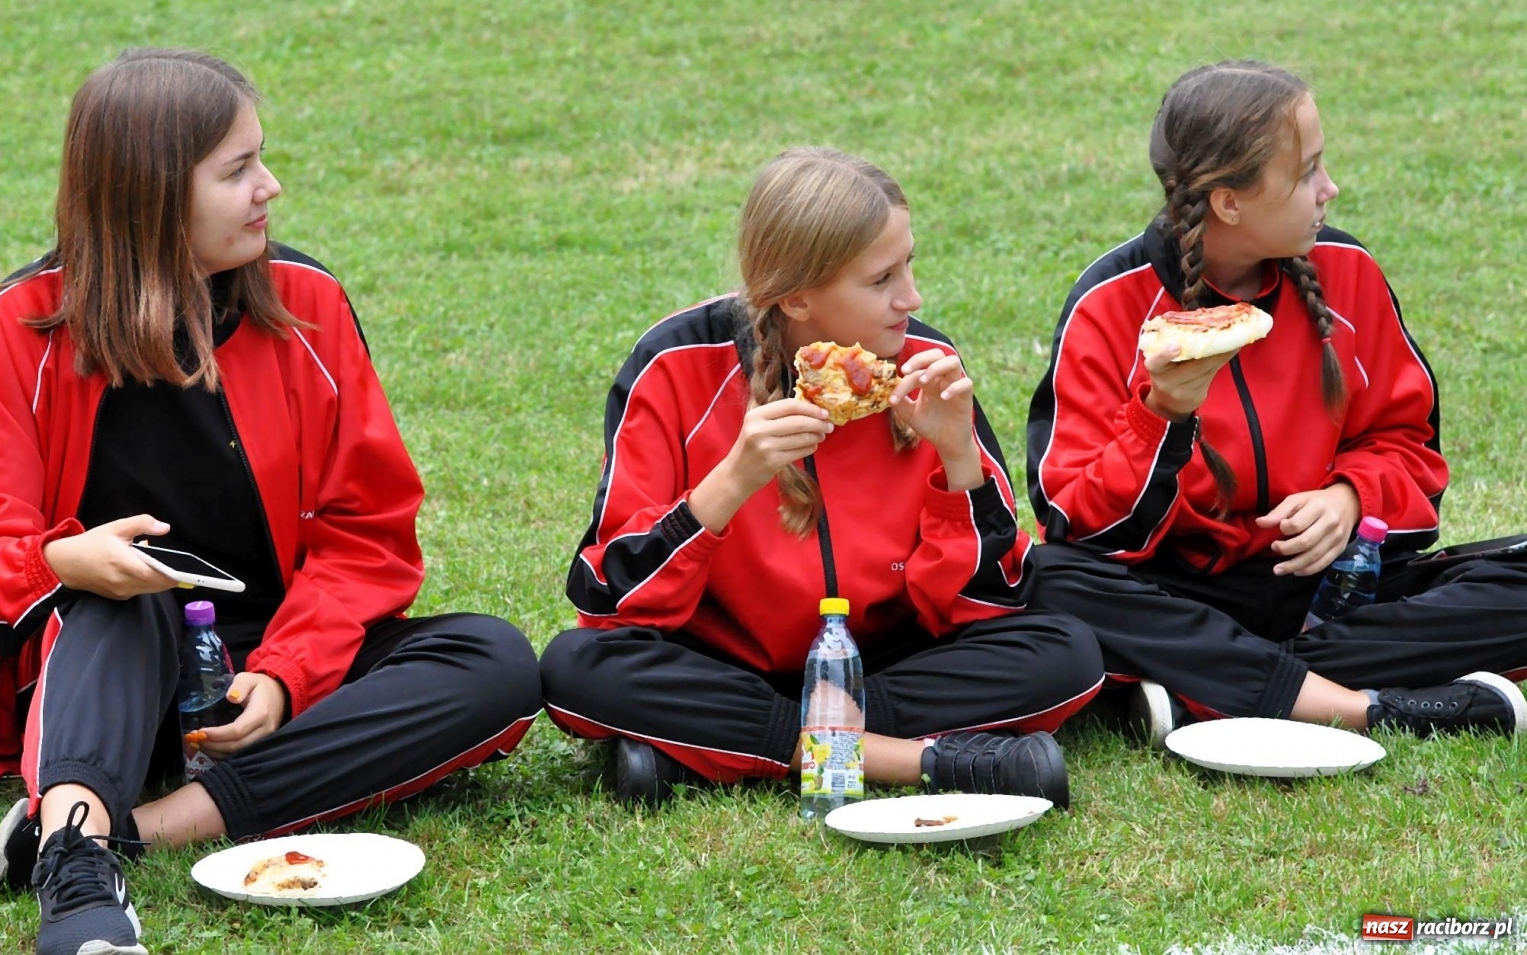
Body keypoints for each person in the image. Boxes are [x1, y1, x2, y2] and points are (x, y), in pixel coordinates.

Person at [0, 49, 542, 955]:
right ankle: (79, 877)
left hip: (276, 664)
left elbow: (367, 535)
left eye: (261, 158)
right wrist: (64, 561)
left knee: (492, 659)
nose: (271, 186)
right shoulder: (24, 330)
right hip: (105, 674)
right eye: (238, 170)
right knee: (125, 594)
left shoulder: (309, 306)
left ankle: (137, 831)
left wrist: (286, 675)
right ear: (150, 194)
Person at [540, 147, 1103, 808]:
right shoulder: (675, 366)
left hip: (885, 666)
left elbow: (991, 601)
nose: (911, 298)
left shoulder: (925, 363)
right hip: (728, 663)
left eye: (909, 264)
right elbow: (609, 598)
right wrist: (730, 482)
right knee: (576, 667)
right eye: (881, 278)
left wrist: (959, 462)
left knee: (1065, 650)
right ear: (796, 295)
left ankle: (709, 756)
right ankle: (913, 758)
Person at [1025, 60, 1527, 746]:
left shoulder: (1349, 272)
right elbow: (1078, 528)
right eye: (1307, 172)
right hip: (1179, 599)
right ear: (1230, 202)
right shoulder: (1109, 305)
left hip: (1330, 593)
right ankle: (1362, 704)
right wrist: (1160, 415)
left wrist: (1351, 498)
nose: (1331, 189)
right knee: (1048, 579)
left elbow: (1411, 451)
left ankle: (1209, 687)